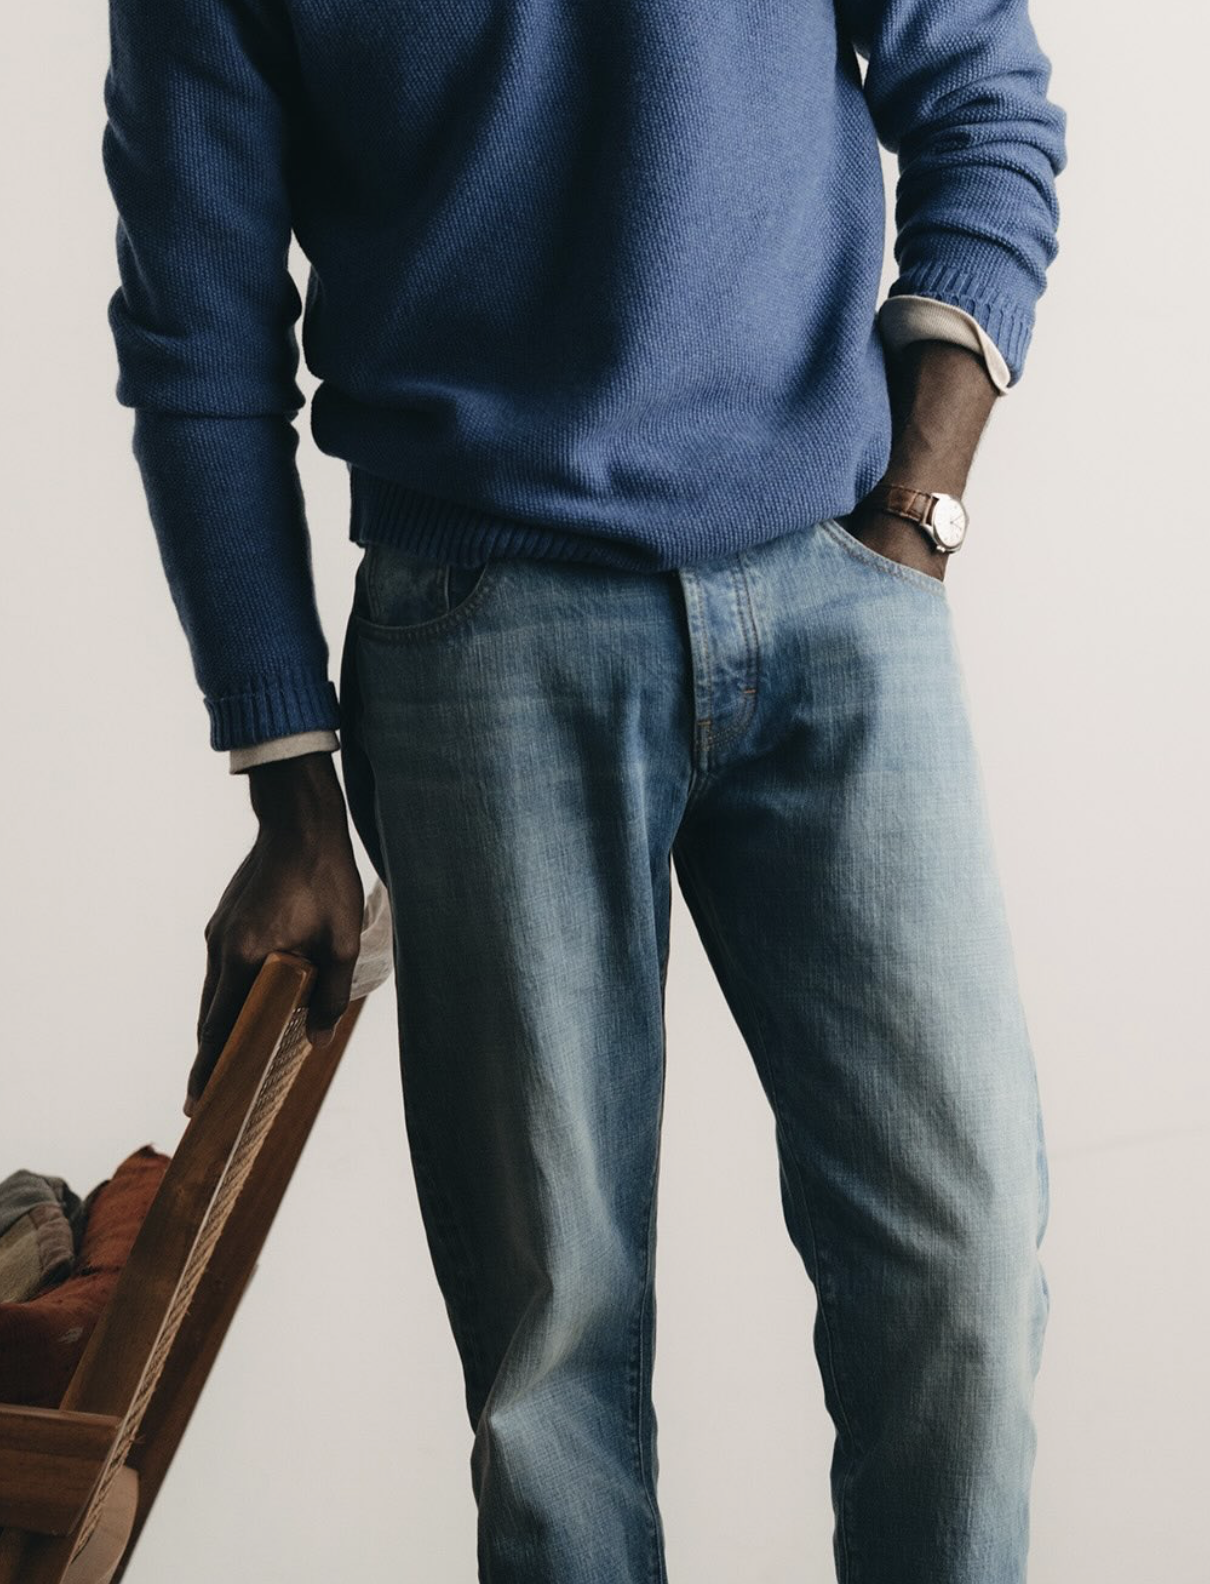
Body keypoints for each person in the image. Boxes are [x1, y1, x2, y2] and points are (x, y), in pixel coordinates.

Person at [101, 0, 1067, 1577]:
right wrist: (289, 790)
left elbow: (985, 100)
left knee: (957, 1262)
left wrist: (918, 506)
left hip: (836, 597)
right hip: (478, 636)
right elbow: (198, 333)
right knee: (554, 1351)